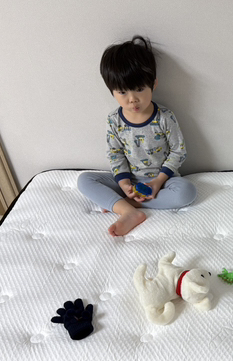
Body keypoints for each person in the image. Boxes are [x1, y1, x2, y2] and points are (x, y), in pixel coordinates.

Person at [78, 36, 197, 236]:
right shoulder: (114, 120)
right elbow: (115, 153)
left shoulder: (165, 117)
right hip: (129, 180)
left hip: (163, 181)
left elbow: (179, 151)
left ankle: (128, 205)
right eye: (122, 92)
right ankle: (128, 211)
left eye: (139, 89)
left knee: (187, 192)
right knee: (84, 180)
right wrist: (124, 184)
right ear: (112, 92)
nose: (132, 99)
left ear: (153, 84)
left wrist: (157, 182)